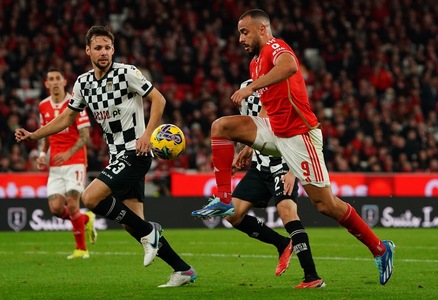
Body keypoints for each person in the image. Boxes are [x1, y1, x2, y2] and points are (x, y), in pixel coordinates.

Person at [191, 9, 394, 286]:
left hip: (300, 136)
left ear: (262, 29)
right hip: (274, 129)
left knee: (326, 205)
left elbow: (289, 67)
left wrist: (251, 88)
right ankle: (224, 197)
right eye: (239, 32)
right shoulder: (254, 63)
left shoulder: (276, 47)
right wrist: (251, 143)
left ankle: (380, 249)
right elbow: (267, 104)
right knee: (221, 127)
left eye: (244, 31)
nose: (240, 38)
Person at [16, 25, 196, 287]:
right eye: (98, 47)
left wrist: (147, 134)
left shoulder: (127, 73)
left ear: (114, 49)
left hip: (136, 151)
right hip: (117, 156)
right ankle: (183, 269)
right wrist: (35, 135)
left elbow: (159, 100)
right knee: (132, 224)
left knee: (89, 198)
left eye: (108, 47)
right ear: (88, 50)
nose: (104, 52)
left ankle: (151, 232)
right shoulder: (83, 83)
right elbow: (66, 117)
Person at [232, 80, 325, 288]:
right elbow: (251, 126)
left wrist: (294, 170)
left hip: (284, 163)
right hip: (259, 166)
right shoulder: (246, 87)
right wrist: (244, 150)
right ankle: (282, 243)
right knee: (233, 214)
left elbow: (304, 129)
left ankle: (312, 276)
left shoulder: (285, 86)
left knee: (287, 212)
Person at [37, 68, 96, 259]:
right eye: (50, 79)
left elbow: (85, 135)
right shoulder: (43, 106)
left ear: (64, 82)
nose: (54, 82)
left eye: (57, 79)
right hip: (55, 165)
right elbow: (45, 133)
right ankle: (85, 218)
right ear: (46, 84)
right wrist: (41, 154)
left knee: (72, 204)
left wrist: (68, 153)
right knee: (55, 209)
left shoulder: (75, 103)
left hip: (75, 161)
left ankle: (81, 249)